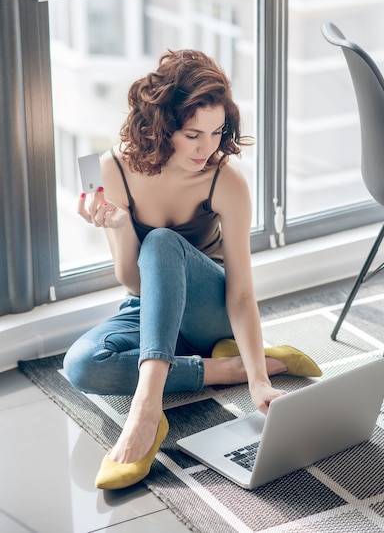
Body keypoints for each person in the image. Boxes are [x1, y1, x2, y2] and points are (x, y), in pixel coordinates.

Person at [63, 49, 322, 491]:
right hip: (153, 304)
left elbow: (239, 293)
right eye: (192, 134)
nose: (208, 148)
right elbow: (133, 282)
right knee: (81, 365)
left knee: (164, 241)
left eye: (218, 132)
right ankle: (224, 368)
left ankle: (147, 411)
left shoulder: (227, 180)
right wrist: (123, 226)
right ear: (162, 127)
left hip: (210, 309)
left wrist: (261, 384)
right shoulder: (110, 170)